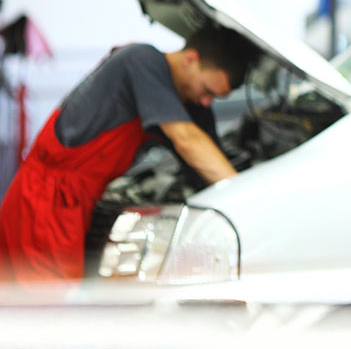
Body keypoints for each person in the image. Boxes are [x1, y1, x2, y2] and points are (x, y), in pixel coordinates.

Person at [0, 25, 257, 282]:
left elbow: (207, 160)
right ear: (191, 59)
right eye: (207, 91)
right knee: (45, 313)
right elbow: (187, 139)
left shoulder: (188, 101)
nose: (206, 102)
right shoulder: (142, 61)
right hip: (44, 204)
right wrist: (246, 207)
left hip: (76, 206)